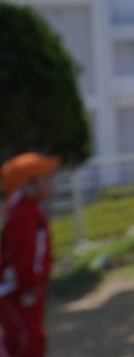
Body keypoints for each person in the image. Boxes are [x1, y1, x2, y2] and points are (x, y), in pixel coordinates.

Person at [0, 153, 59, 357]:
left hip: (27, 287)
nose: (52, 182)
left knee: (30, 336)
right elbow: (24, 253)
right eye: (46, 178)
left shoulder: (31, 211)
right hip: (17, 289)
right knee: (26, 339)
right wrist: (29, 283)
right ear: (28, 185)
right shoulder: (24, 214)